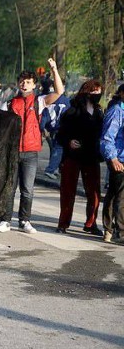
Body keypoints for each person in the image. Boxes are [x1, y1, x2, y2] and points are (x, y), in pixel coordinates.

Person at [0, 58, 64, 234]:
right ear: (18, 84)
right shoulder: (9, 104)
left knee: (27, 190)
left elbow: (59, 91)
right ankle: (5, 220)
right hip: (12, 151)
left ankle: (25, 220)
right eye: (22, 81)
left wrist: (54, 69)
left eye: (28, 82)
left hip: (31, 152)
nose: (24, 84)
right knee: (10, 188)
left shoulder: (39, 102)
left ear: (34, 85)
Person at [55, 80, 104, 235]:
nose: (97, 95)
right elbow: (60, 134)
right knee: (68, 191)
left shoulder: (99, 112)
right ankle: (63, 223)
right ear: (86, 92)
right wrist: (69, 141)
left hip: (91, 157)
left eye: (99, 92)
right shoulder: (72, 110)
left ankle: (91, 223)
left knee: (94, 192)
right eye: (94, 92)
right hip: (72, 156)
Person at [100, 83, 124, 243]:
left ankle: (110, 228)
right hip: (119, 159)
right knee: (120, 197)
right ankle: (118, 232)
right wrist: (113, 158)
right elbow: (107, 138)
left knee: (115, 194)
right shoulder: (117, 111)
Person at [41, 86, 70, 179]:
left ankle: (55, 168)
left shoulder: (46, 99)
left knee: (55, 149)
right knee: (58, 149)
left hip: (51, 128)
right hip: (61, 129)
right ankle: (51, 169)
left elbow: (44, 116)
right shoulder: (67, 101)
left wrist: (43, 128)